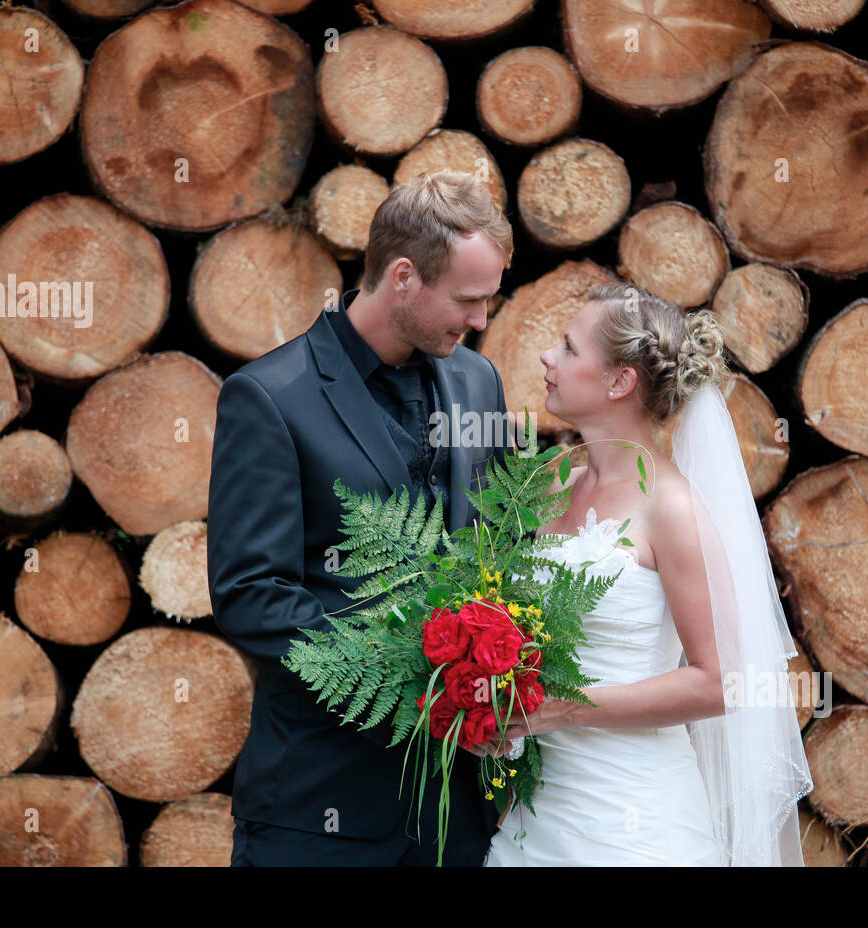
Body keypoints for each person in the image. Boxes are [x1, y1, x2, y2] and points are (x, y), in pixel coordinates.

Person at [207, 170, 514, 865]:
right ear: (402, 276)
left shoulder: (478, 381)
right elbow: (251, 595)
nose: (481, 322)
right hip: (317, 804)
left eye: (489, 300)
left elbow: (498, 545)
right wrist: (411, 672)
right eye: (468, 300)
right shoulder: (268, 397)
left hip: (456, 811)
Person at [478, 281, 813, 866]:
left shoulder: (672, 506)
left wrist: (563, 708)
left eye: (568, 348)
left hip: (634, 824)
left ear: (619, 381)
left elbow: (722, 682)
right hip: (538, 815)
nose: (546, 358)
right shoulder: (552, 482)